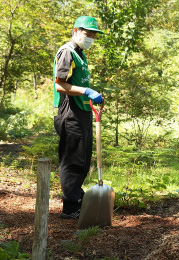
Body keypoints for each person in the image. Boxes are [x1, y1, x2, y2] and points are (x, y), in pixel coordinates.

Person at [53, 16, 104, 220]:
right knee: (72, 158)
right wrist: (86, 91)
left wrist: (91, 98)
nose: (90, 37)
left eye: (93, 35)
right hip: (69, 111)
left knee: (83, 158)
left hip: (82, 111)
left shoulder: (80, 53)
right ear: (76, 30)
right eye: (87, 33)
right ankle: (70, 207)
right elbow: (59, 84)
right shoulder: (67, 52)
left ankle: (77, 197)